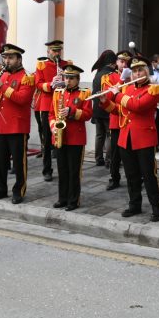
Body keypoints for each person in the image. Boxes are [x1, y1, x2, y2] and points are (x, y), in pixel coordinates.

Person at [102, 55, 159, 222]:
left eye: (140, 71)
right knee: (131, 175)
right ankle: (134, 205)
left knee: (149, 175)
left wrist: (116, 96)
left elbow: (137, 106)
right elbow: (120, 111)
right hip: (126, 137)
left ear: (146, 72)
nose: (137, 74)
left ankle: (157, 207)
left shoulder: (153, 89)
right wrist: (104, 102)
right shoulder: (127, 89)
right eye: (135, 71)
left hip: (144, 138)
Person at [0, 44, 36, 204]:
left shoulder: (27, 77)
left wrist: (3, 86)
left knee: (19, 162)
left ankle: (18, 191)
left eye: (10, 58)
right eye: (5, 57)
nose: (7, 61)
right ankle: (0, 190)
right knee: (0, 161)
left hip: (17, 126)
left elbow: (22, 100)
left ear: (19, 59)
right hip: (1, 125)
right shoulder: (2, 75)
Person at [50, 65, 92, 211]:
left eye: (71, 78)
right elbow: (51, 114)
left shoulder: (85, 93)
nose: (68, 81)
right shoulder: (57, 93)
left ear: (78, 79)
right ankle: (62, 198)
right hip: (60, 136)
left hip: (76, 138)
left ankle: (73, 201)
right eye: (66, 78)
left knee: (74, 171)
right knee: (62, 170)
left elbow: (88, 114)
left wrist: (72, 111)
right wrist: (53, 125)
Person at [34, 40, 71, 181]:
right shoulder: (42, 65)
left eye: (58, 50)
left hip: (62, 103)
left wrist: (64, 79)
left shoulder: (66, 64)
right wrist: (50, 84)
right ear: (48, 52)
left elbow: (73, 82)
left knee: (64, 136)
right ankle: (47, 169)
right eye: (54, 51)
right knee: (47, 138)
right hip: (46, 104)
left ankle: (64, 167)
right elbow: (37, 83)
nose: (57, 53)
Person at [100, 50, 132, 190]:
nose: (124, 64)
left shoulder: (135, 76)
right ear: (116, 62)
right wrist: (121, 80)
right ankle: (114, 178)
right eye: (121, 61)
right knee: (114, 153)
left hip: (131, 119)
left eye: (126, 61)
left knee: (131, 152)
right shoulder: (109, 77)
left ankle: (135, 178)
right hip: (116, 118)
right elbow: (107, 97)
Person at [91, 50, 117, 167]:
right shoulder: (112, 74)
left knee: (99, 135)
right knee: (109, 135)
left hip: (96, 109)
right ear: (112, 62)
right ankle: (109, 160)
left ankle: (98, 159)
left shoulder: (98, 73)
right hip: (107, 108)